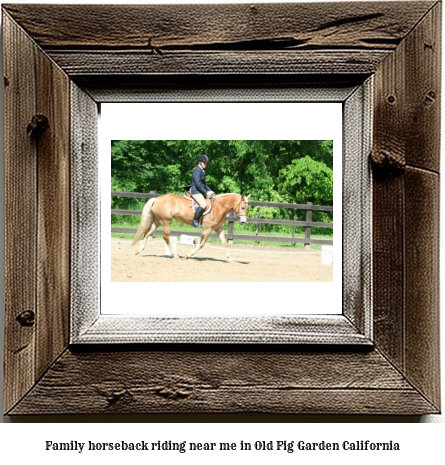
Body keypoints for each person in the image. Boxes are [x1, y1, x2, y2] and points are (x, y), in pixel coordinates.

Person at [190, 155, 215, 227]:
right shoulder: (197, 170)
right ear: (199, 162)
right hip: (196, 191)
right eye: (204, 163)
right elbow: (198, 184)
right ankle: (194, 221)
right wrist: (206, 192)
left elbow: (204, 183)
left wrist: (210, 191)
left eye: (206, 163)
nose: (205, 164)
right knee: (203, 204)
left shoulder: (201, 170)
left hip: (200, 190)